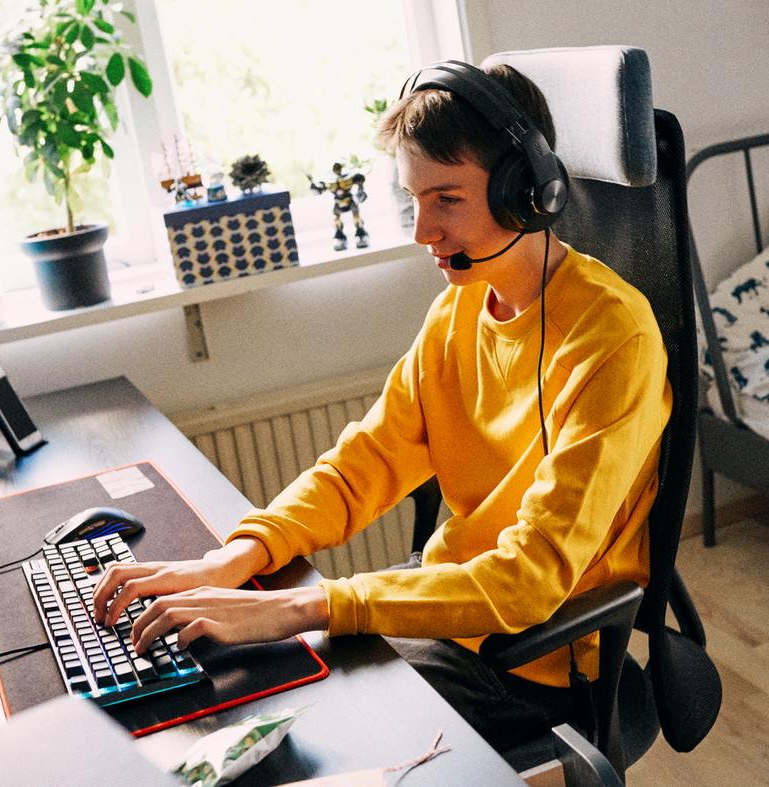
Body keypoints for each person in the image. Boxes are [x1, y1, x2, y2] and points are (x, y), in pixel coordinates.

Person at [92, 62, 671, 750]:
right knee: (229, 674)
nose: (423, 230)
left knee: (286, 720)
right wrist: (239, 555)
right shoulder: (457, 311)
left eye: (447, 199)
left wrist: (306, 606)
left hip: (533, 665)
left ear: (528, 193)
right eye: (413, 199)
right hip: (449, 610)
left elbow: (527, 582)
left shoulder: (612, 337)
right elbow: (360, 466)